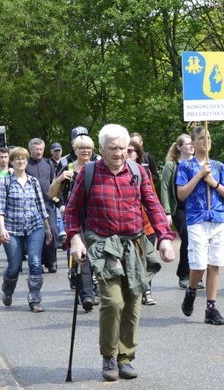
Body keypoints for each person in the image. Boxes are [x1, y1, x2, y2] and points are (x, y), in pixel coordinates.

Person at [66, 124, 175, 382]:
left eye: (122, 148)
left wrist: (164, 238)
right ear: (101, 149)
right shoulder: (89, 173)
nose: (118, 153)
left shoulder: (137, 172)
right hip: (102, 244)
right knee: (113, 301)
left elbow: (154, 205)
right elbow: (71, 211)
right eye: (112, 148)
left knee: (133, 299)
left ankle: (126, 357)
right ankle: (109, 356)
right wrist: (75, 240)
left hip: (134, 243)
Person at [177, 125, 224, 325]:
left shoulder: (218, 166)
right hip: (197, 219)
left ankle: (211, 308)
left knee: (214, 264)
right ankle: (191, 290)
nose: (206, 141)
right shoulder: (186, 166)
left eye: (208, 137)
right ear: (193, 143)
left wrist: (214, 183)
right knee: (199, 264)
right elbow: (182, 194)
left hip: (217, 218)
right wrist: (199, 175)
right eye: (201, 138)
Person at [0, 146, 53, 312]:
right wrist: (2, 228)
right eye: (17, 159)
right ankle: (7, 290)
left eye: (24, 158)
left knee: (35, 262)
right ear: (12, 162)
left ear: (27, 161)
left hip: (35, 226)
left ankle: (34, 300)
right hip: (12, 229)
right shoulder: (5, 182)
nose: (21, 161)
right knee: (14, 266)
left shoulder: (33, 182)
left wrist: (48, 229)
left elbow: (41, 207)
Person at [49, 133, 100, 311]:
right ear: (75, 150)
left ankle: (95, 288)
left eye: (88, 148)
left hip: (97, 216)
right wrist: (60, 181)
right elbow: (52, 193)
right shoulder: (68, 168)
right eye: (81, 148)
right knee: (82, 255)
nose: (85, 151)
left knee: (97, 255)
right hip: (76, 216)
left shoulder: (98, 166)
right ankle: (87, 295)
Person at [160, 133, 196, 289]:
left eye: (192, 143)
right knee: (187, 238)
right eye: (188, 143)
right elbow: (165, 187)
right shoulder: (171, 165)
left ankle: (195, 275)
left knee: (197, 241)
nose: (191, 146)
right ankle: (183, 275)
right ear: (180, 147)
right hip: (179, 209)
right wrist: (167, 211)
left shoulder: (197, 163)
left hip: (196, 208)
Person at [127, 140, 158, 306]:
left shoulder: (143, 172)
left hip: (146, 224)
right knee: (134, 260)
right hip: (127, 225)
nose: (127, 153)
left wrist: (161, 222)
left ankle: (147, 290)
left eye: (131, 151)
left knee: (146, 258)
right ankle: (135, 290)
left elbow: (152, 199)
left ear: (138, 154)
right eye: (126, 150)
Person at [26, 138, 58, 273]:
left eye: (41, 149)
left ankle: (52, 261)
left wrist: (58, 200)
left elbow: (54, 182)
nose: (39, 152)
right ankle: (38, 262)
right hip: (30, 204)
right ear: (30, 150)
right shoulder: (26, 164)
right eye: (36, 149)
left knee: (52, 231)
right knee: (36, 234)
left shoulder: (48, 163)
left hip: (47, 203)